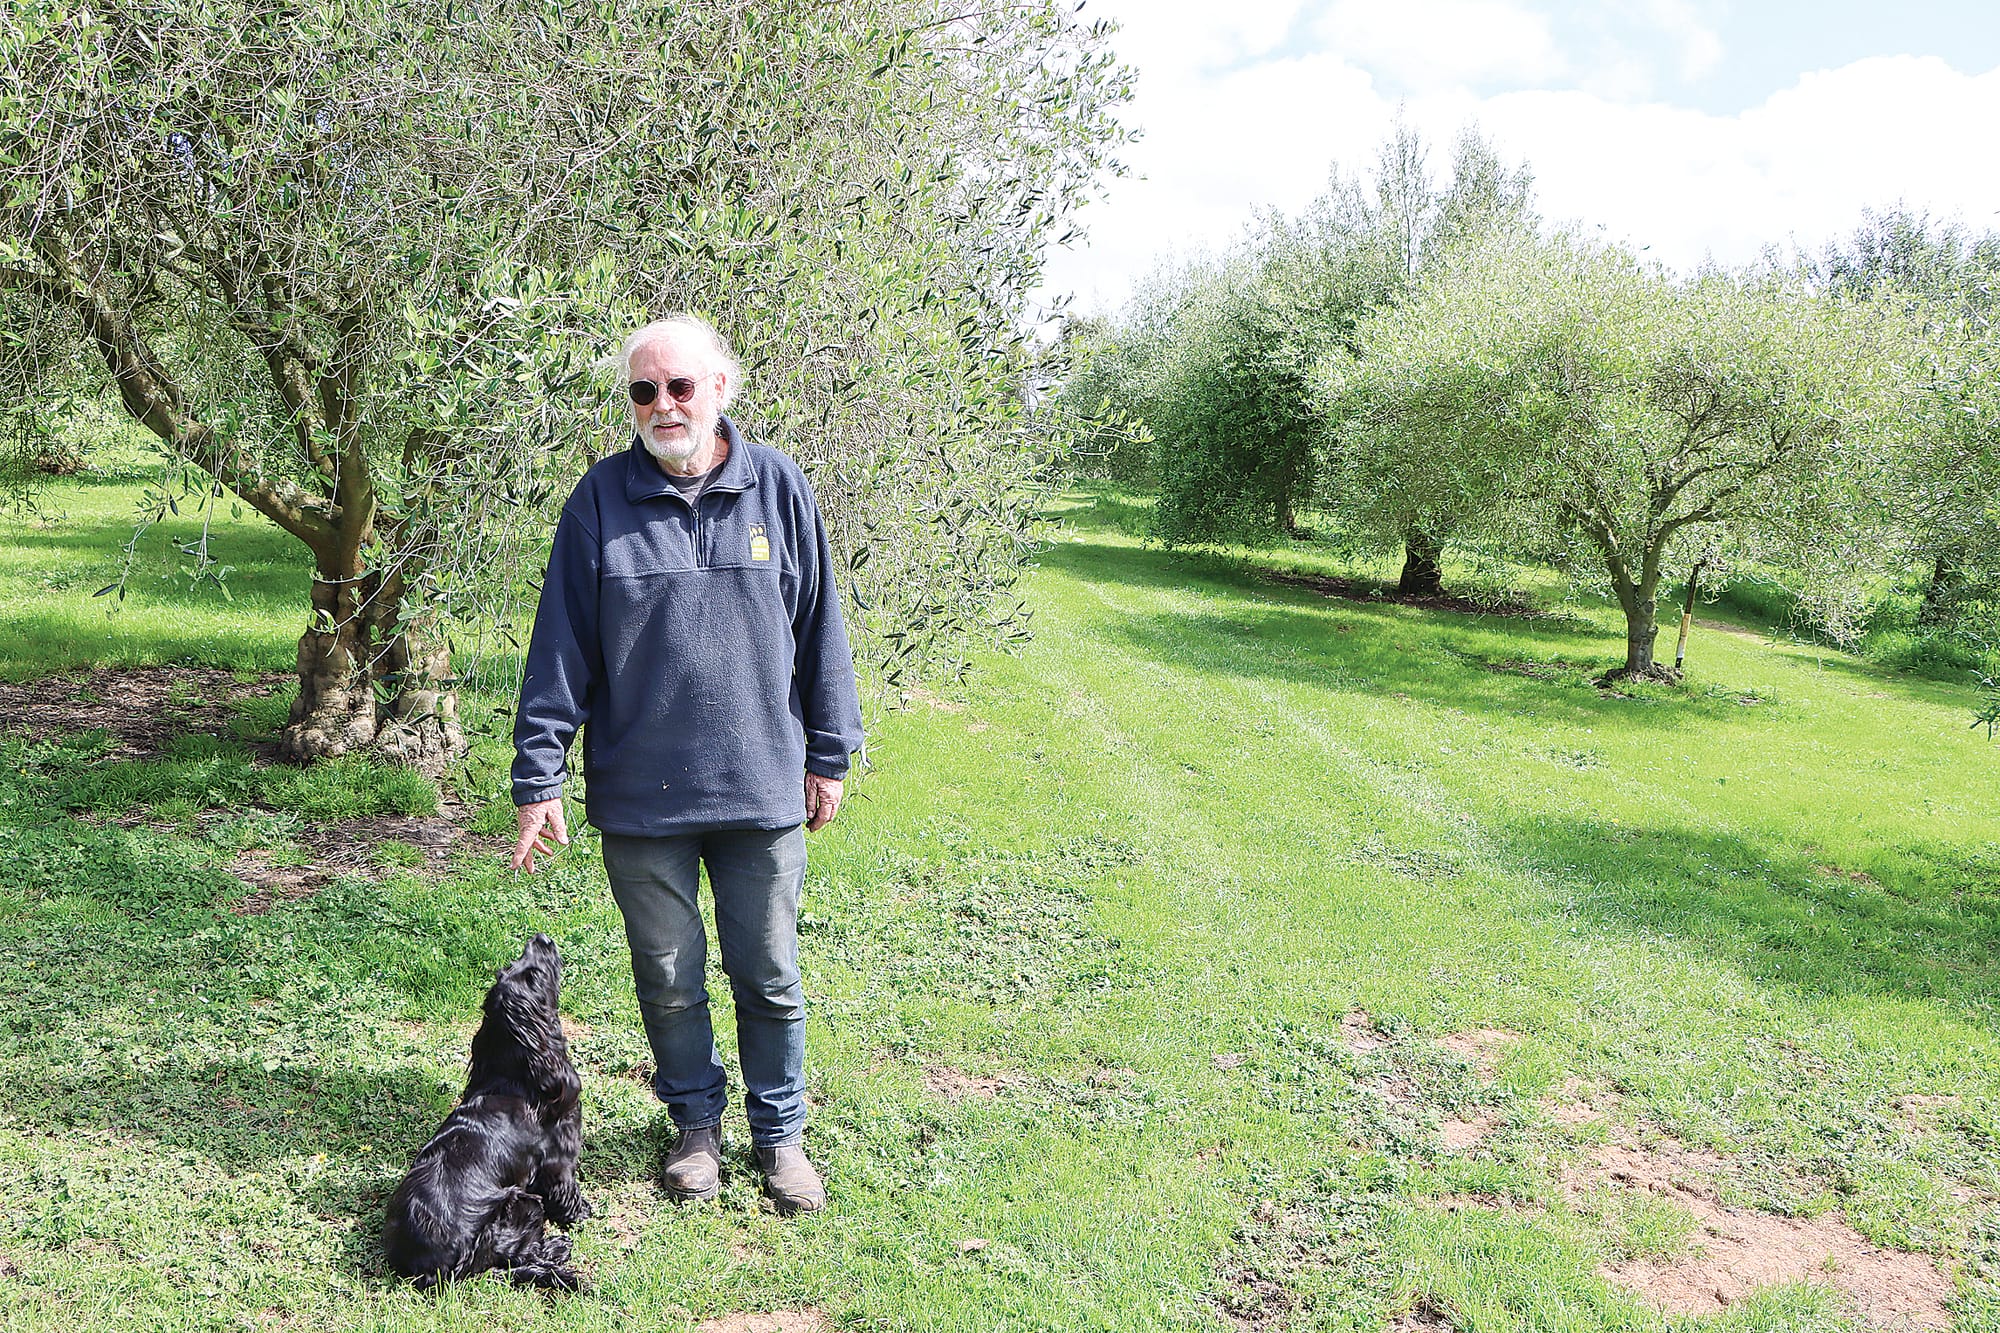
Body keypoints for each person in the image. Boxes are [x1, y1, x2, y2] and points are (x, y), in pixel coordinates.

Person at [508, 315, 864, 1215]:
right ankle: (696, 1130)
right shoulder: (597, 502)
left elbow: (824, 634)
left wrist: (830, 754)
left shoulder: (779, 489)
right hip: (640, 799)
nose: (664, 404)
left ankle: (779, 1135)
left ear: (721, 388)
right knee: (667, 978)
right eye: (644, 390)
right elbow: (561, 653)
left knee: (770, 972)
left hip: (760, 788)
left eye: (681, 386)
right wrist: (539, 777)